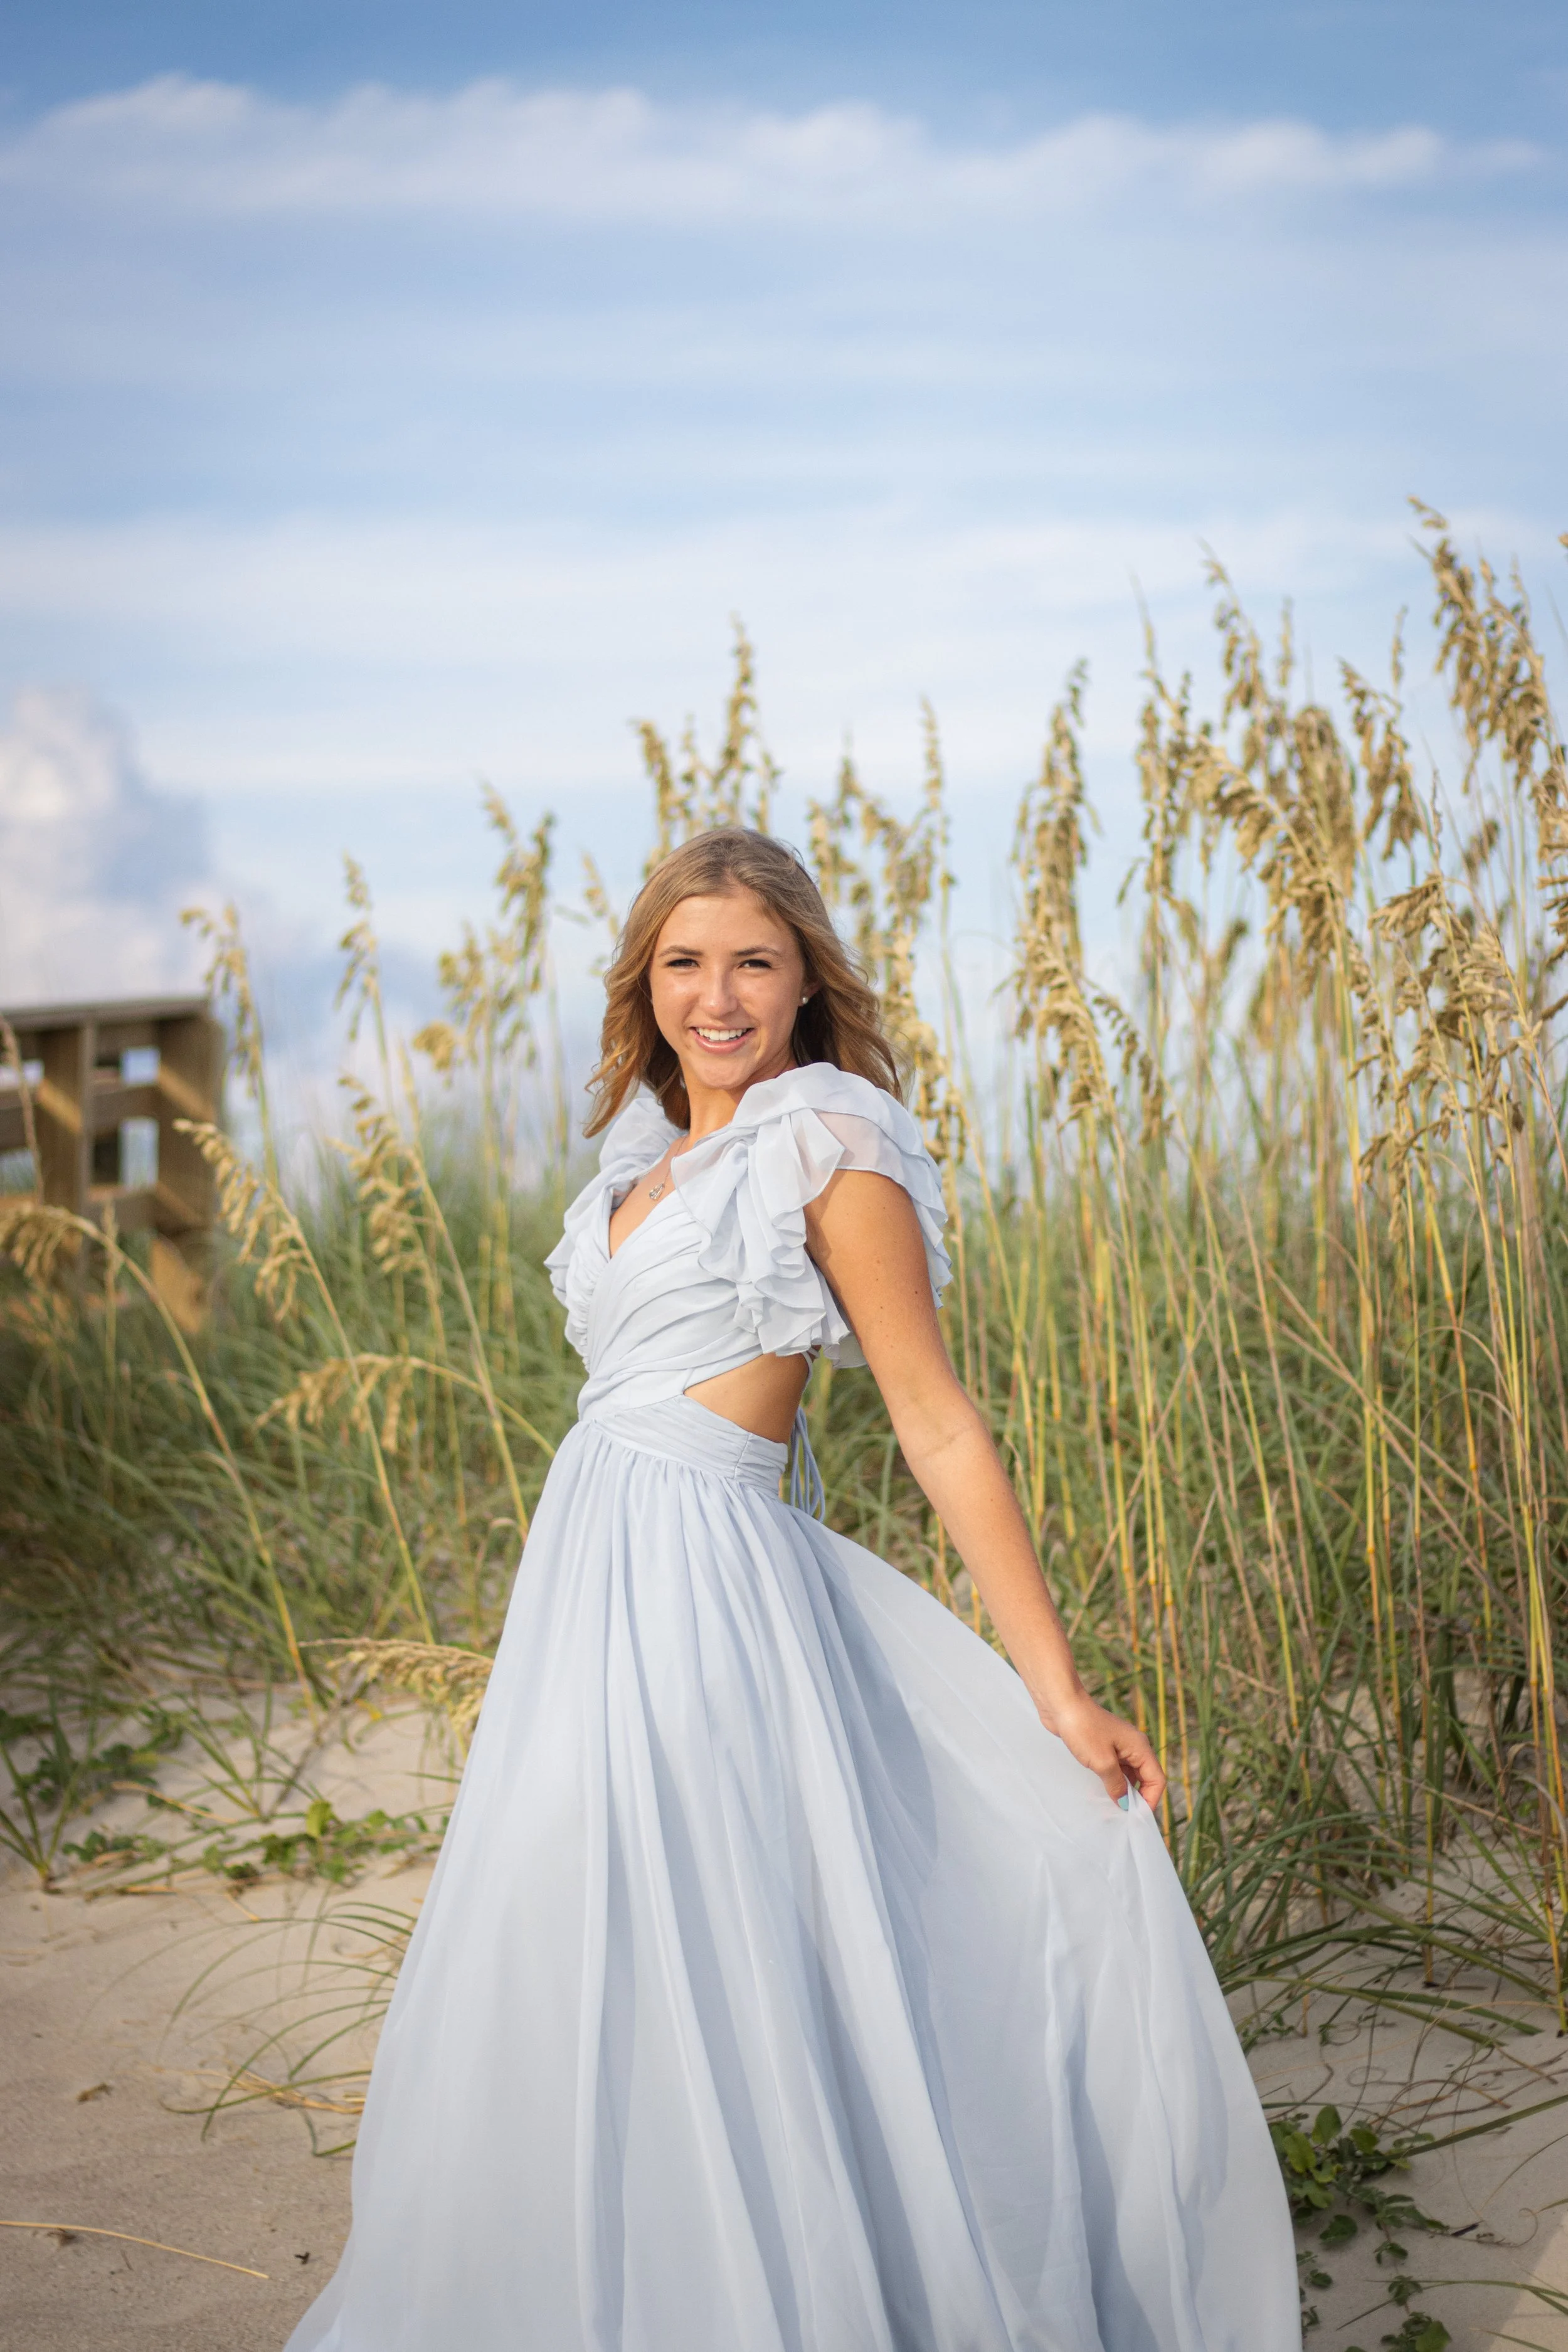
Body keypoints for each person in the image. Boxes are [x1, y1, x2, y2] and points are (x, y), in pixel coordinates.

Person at [287, 827, 1300, 2352]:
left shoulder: (828, 1137)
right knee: (582, 1910)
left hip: (707, 1579)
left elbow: (934, 1416)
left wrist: (1055, 1688)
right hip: (588, 1579)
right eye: (684, 962)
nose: (717, 994)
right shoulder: (639, 1158)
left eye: (753, 962)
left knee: (721, 1928)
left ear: (804, 981)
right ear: (644, 981)